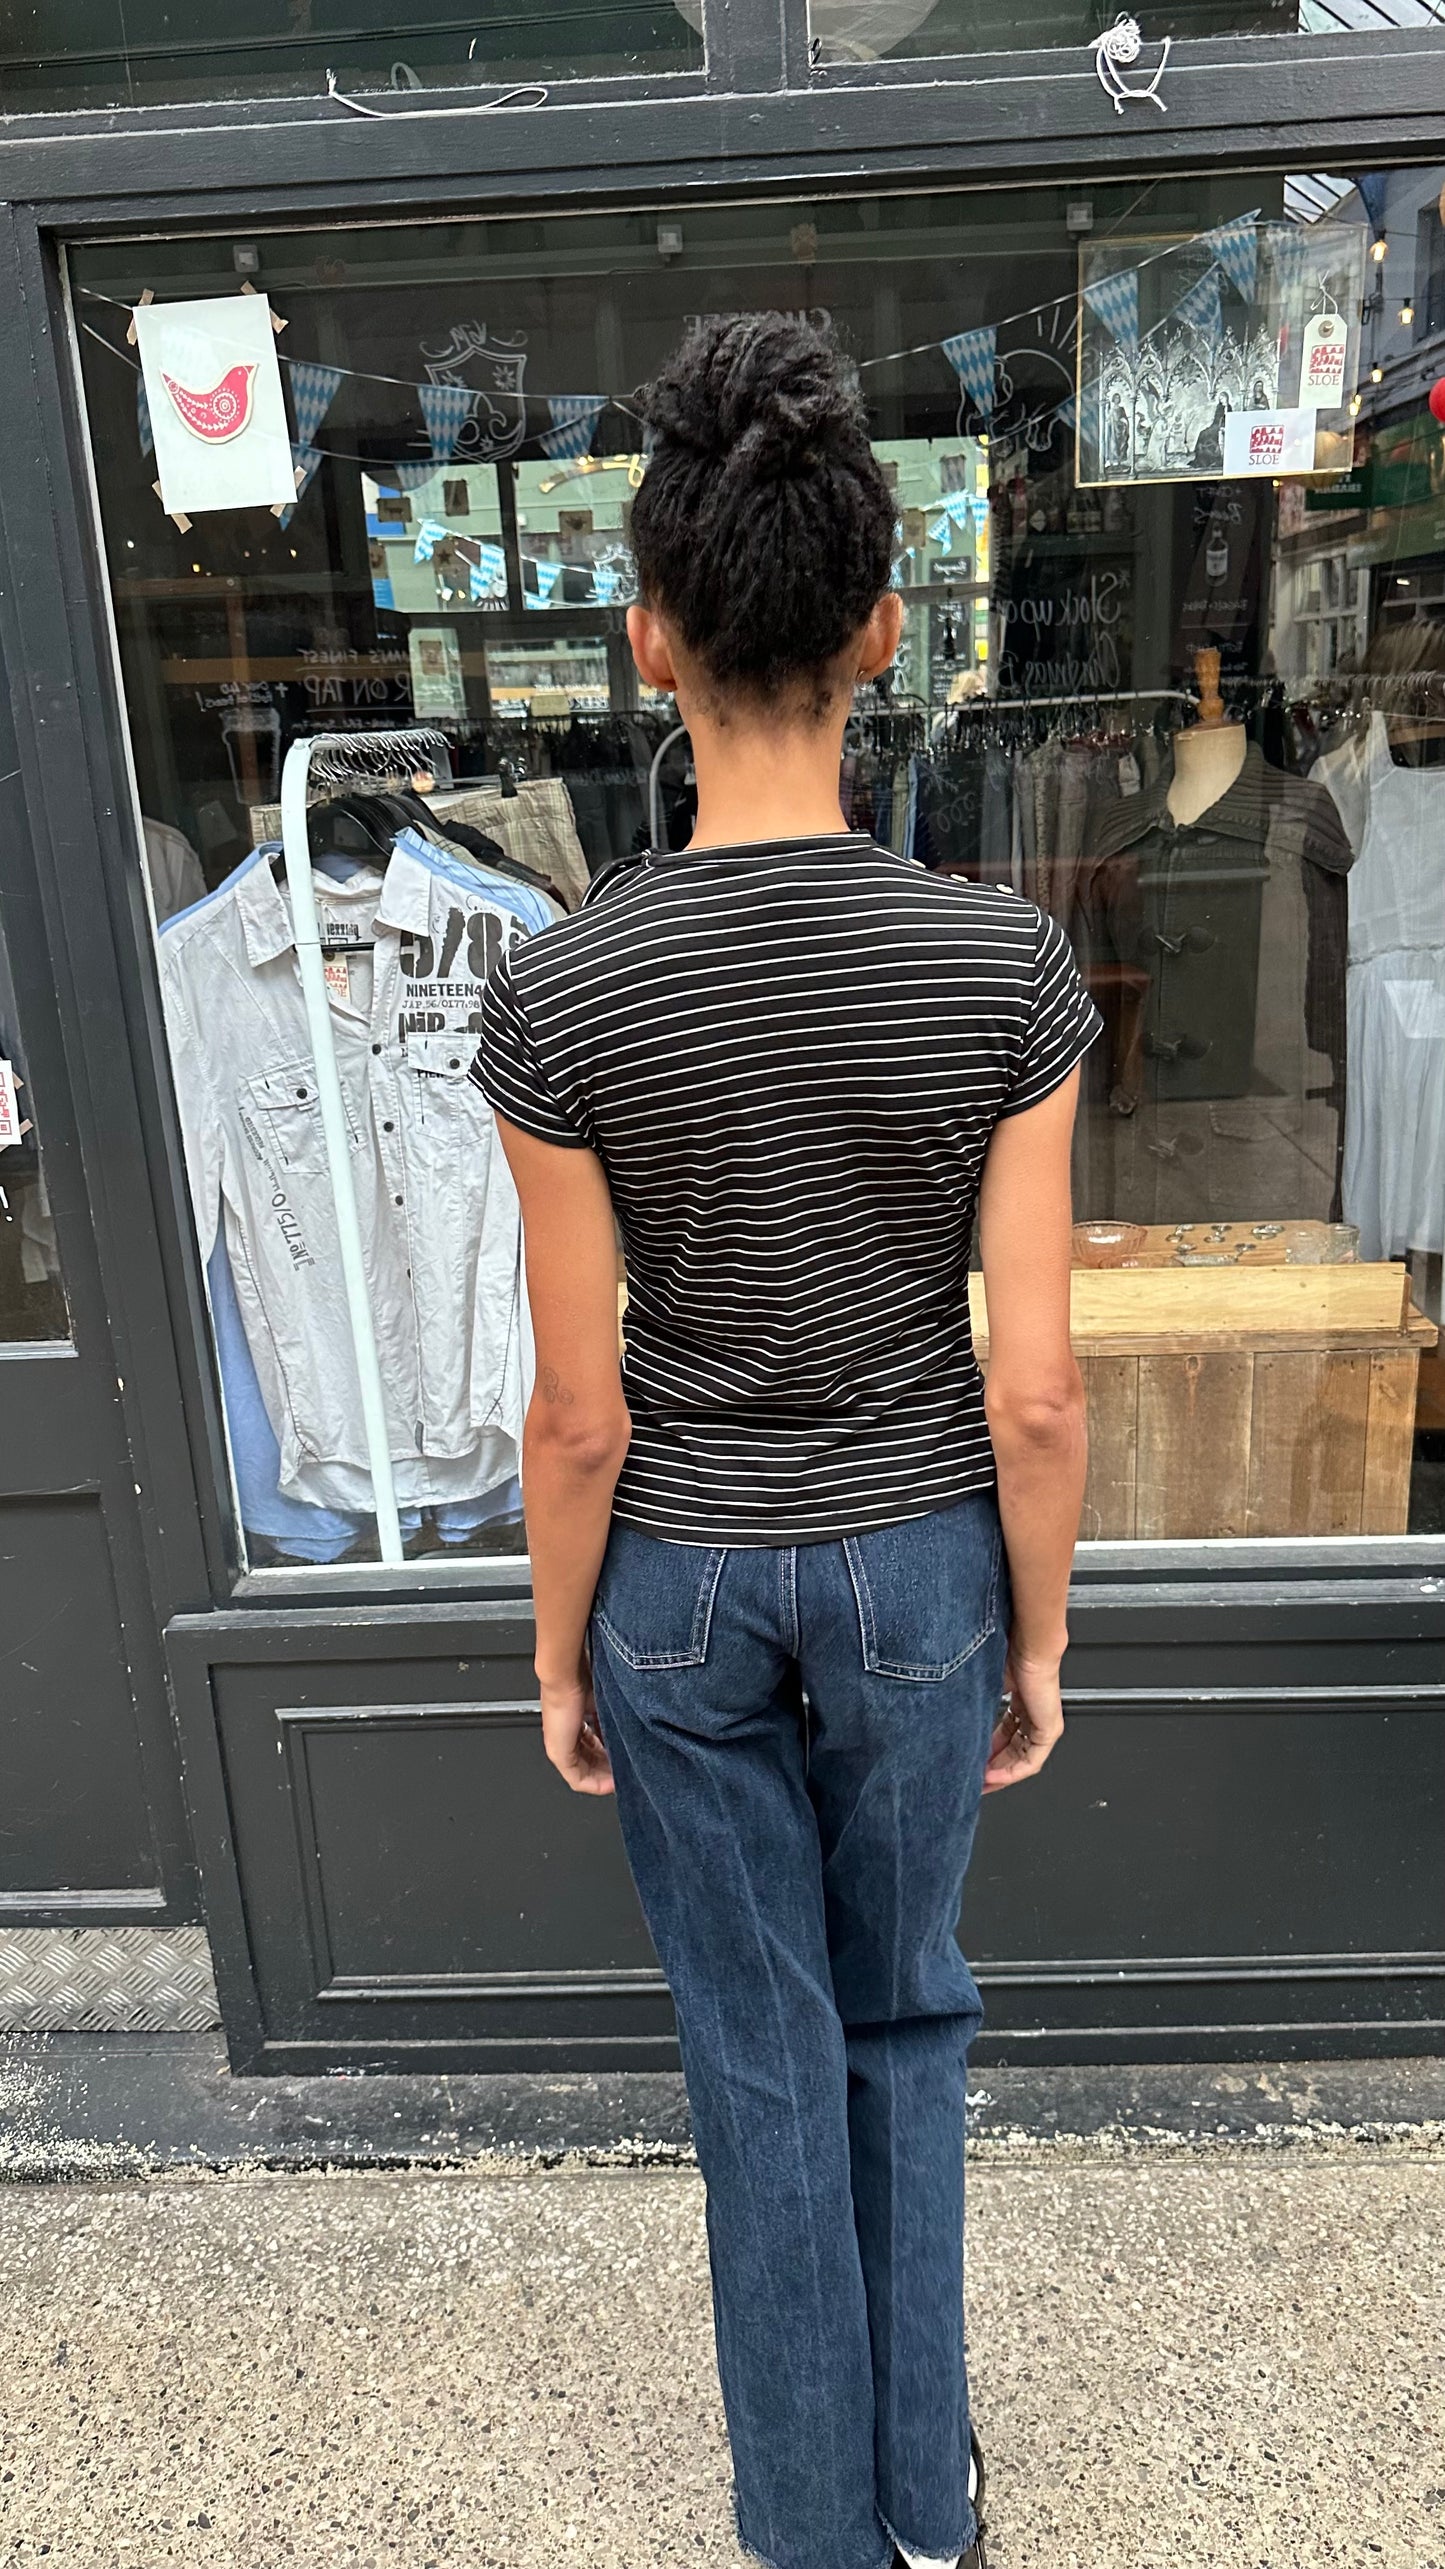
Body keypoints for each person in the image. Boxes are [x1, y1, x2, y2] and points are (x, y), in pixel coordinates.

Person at [474, 312, 1099, 2569]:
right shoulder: (1004, 968)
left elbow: (575, 1405)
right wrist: (1038, 1633)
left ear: (646, 633)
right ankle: (927, 2512)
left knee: (758, 2062)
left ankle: (811, 2533)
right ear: (882, 632)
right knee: (905, 2020)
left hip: (686, 1582)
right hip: (927, 1555)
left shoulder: (560, 990)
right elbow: (1034, 1385)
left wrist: (559, 1655)